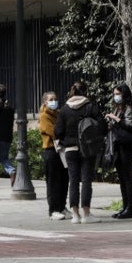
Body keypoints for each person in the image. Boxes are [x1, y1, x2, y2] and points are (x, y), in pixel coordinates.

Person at [54, 81, 101, 223]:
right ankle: (87, 213)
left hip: (70, 149)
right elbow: (102, 126)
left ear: (72, 92)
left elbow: (58, 131)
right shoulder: (91, 107)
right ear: (85, 92)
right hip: (87, 149)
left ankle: (75, 215)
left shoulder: (64, 110)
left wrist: (66, 140)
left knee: (73, 181)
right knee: (86, 180)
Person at [105, 82, 132, 219]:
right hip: (118, 145)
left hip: (126, 146)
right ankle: (125, 206)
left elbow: (131, 124)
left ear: (124, 94)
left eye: (118, 94)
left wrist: (115, 118)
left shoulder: (128, 108)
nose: (115, 96)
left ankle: (130, 208)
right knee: (122, 177)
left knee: (127, 177)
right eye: (114, 94)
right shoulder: (118, 108)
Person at [38, 90, 67, 220]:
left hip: (61, 149)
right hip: (51, 150)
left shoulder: (58, 114)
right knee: (53, 181)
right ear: (45, 102)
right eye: (51, 100)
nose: (54, 102)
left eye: (55, 99)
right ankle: (53, 209)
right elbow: (53, 132)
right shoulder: (44, 116)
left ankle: (62, 206)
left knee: (64, 180)